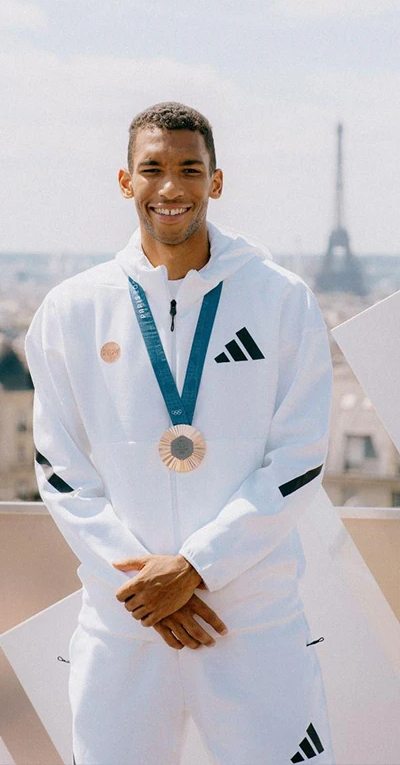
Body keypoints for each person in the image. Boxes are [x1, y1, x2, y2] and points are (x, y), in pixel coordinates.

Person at [24, 101, 336, 765]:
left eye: (190, 169)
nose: (171, 188)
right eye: (153, 169)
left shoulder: (281, 300)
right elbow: (59, 470)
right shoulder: (71, 311)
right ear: (125, 181)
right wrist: (146, 589)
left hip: (250, 622)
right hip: (124, 628)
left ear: (215, 182)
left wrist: (195, 568)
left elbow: (299, 458)